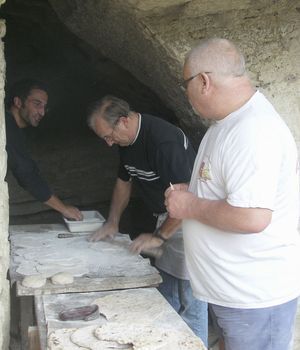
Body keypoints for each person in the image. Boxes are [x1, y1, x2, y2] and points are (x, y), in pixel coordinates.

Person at [163, 38, 300, 350]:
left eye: (186, 84)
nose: (186, 94)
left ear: (203, 81)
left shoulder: (252, 130)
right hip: (236, 296)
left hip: (253, 297)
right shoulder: (229, 124)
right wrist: (196, 192)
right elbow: (233, 192)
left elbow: (252, 216)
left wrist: (189, 204)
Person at [87, 95, 208, 346]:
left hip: (191, 221)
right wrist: (112, 221)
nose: (109, 143)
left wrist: (159, 236)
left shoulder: (163, 142)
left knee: (191, 299)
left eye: (109, 136)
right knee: (166, 297)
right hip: (167, 215)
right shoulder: (126, 142)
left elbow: (188, 200)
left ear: (123, 121)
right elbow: (124, 181)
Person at [5, 79, 83, 220]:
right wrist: (63, 209)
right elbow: (26, 173)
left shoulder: (12, 127)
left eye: (44, 107)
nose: (42, 112)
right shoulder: (6, 127)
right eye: (37, 104)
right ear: (18, 102)